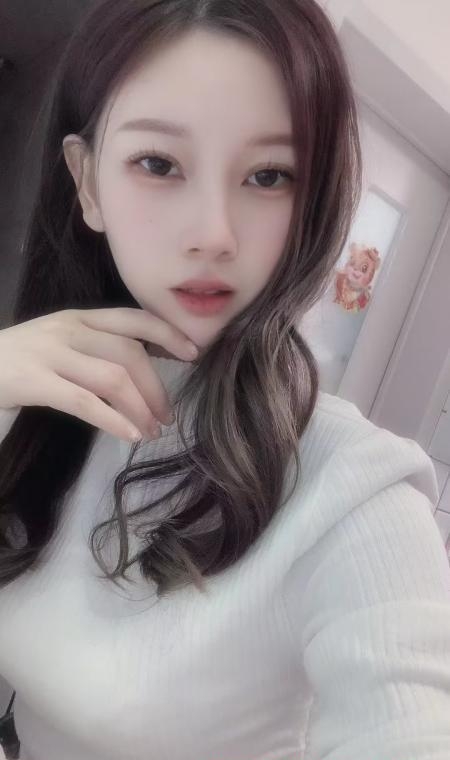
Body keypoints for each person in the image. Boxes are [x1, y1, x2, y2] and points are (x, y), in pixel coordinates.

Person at [0, 1, 449, 758]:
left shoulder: (354, 491)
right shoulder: (38, 397)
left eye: (268, 176)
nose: (214, 233)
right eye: (159, 164)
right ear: (87, 182)